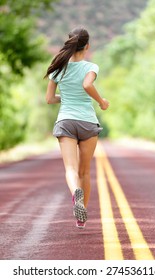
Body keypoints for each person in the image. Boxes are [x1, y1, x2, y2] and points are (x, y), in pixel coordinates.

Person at [44, 26, 109, 229]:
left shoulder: (58, 67)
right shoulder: (91, 67)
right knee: (84, 172)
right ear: (87, 46)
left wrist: (67, 98)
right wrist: (101, 102)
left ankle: (75, 195)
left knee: (70, 169)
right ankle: (81, 219)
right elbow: (87, 86)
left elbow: (49, 99)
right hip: (88, 122)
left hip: (66, 122)